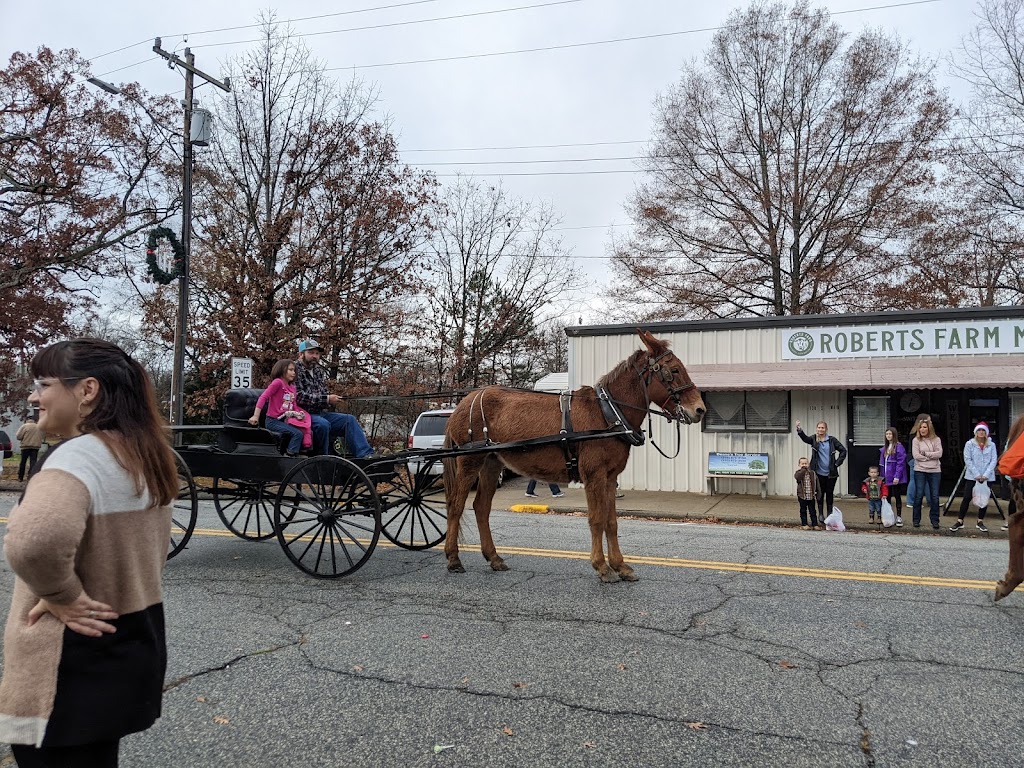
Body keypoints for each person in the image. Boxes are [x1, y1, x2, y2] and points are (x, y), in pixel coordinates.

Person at [0, 338, 178, 767]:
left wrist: (62, 595)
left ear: (87, 390)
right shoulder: (145, 453)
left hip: (64, 663)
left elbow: (33, 541)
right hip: (129, 641)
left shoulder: (76, 458)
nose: (34, 395)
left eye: (44, 383)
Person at [294, 339, 374, 459]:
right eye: (311, 353)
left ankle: (365, 455)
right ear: (301, 354)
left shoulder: (318, 372)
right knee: (323, 424)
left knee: (349, 420)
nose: (315, 356)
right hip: (302, 415)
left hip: (319, 413)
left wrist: (332, 399)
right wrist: (326, 399)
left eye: (317, 353)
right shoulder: (294, 370)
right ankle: (324, 460)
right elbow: (299, 397)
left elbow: (324, 393)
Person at [248, 359, 312, 457]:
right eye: (290, 370)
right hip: (273, 421)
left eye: (294, 370)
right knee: (297, 434)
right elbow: (263, 397)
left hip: (286, 420)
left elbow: (293, 405)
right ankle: (289, 456)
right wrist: (256, 416)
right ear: (281, 370)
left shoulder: (293, 388)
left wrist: (299, 414)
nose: (293, 373)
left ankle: (300, 453)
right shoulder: (277, 383)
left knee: (307, 431)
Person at [795, 419, 847, 526]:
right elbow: (805, 438)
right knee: (819, 494)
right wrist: (799, 429)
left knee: (829, 494)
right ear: (816, 429)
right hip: (818, 473)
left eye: (822, 428)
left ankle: (829, 514)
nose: (820, 429)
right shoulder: (814, 439)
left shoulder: (832, 440)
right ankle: (821, 514)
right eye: (819, 427)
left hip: (831, 473)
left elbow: (843, 450)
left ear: (826, 429)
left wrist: (837, 463)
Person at [950, 422, 997, 533]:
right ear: (975, 432)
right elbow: (968, 459)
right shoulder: (970, 444)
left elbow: (993, 460)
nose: (981, 432)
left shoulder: (992, 445)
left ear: (986, 433)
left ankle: (980, 521)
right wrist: (976, 474)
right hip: (972, 476)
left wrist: (985, 474)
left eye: (983, 430)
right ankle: (960, 520)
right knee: (967, 497)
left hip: (987, 476)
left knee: (984, 498)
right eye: (979, 430)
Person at [910, 414, 943, 529]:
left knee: (935, 496)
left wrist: (926, 454)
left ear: (929, 428)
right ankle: (916, 519)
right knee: (919, 495)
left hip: (935, 470)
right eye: (921, 427)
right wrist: (930, 457)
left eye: (925, 427)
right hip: (920, 470)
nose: (922, 429)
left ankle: (935, 520)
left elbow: (939, 454)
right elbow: (916, 456)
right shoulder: (916, 440)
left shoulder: (936, 439)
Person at [879, 426, 908, 527]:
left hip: (894, 478)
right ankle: (889, 516)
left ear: (894, 435)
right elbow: (882, 464)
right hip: (886, 477)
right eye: (887, 434)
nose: (888, 436)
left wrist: (897, 476)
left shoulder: (899, 447)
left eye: (890, 434)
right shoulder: (885, 448)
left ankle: (899, 516)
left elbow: (901, 463)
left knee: (897, 496)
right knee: (887, 497)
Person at [794, 456, 820, 530]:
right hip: (802, 495)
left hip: (811, 495)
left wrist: (818, 494)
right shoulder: (798, 473)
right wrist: (803, 470)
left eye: (806, 463)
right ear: (799, 465)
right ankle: (804, 524)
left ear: (808, 464)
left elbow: (817, 483)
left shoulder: (812, 473)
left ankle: (815, 524)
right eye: (802, 464)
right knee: (803, 510)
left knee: (812, 511)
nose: (804, 465)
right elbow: (798, 478)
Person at [15, 415, 42, 482]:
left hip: (25, 447)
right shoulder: (39, 427)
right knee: (33, 462)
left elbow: (18, 436)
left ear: (27, 420)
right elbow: (42, 436)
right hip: (35, 447)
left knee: (23, 462)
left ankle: (20, 477)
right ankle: (30, 477)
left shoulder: (24, 426)